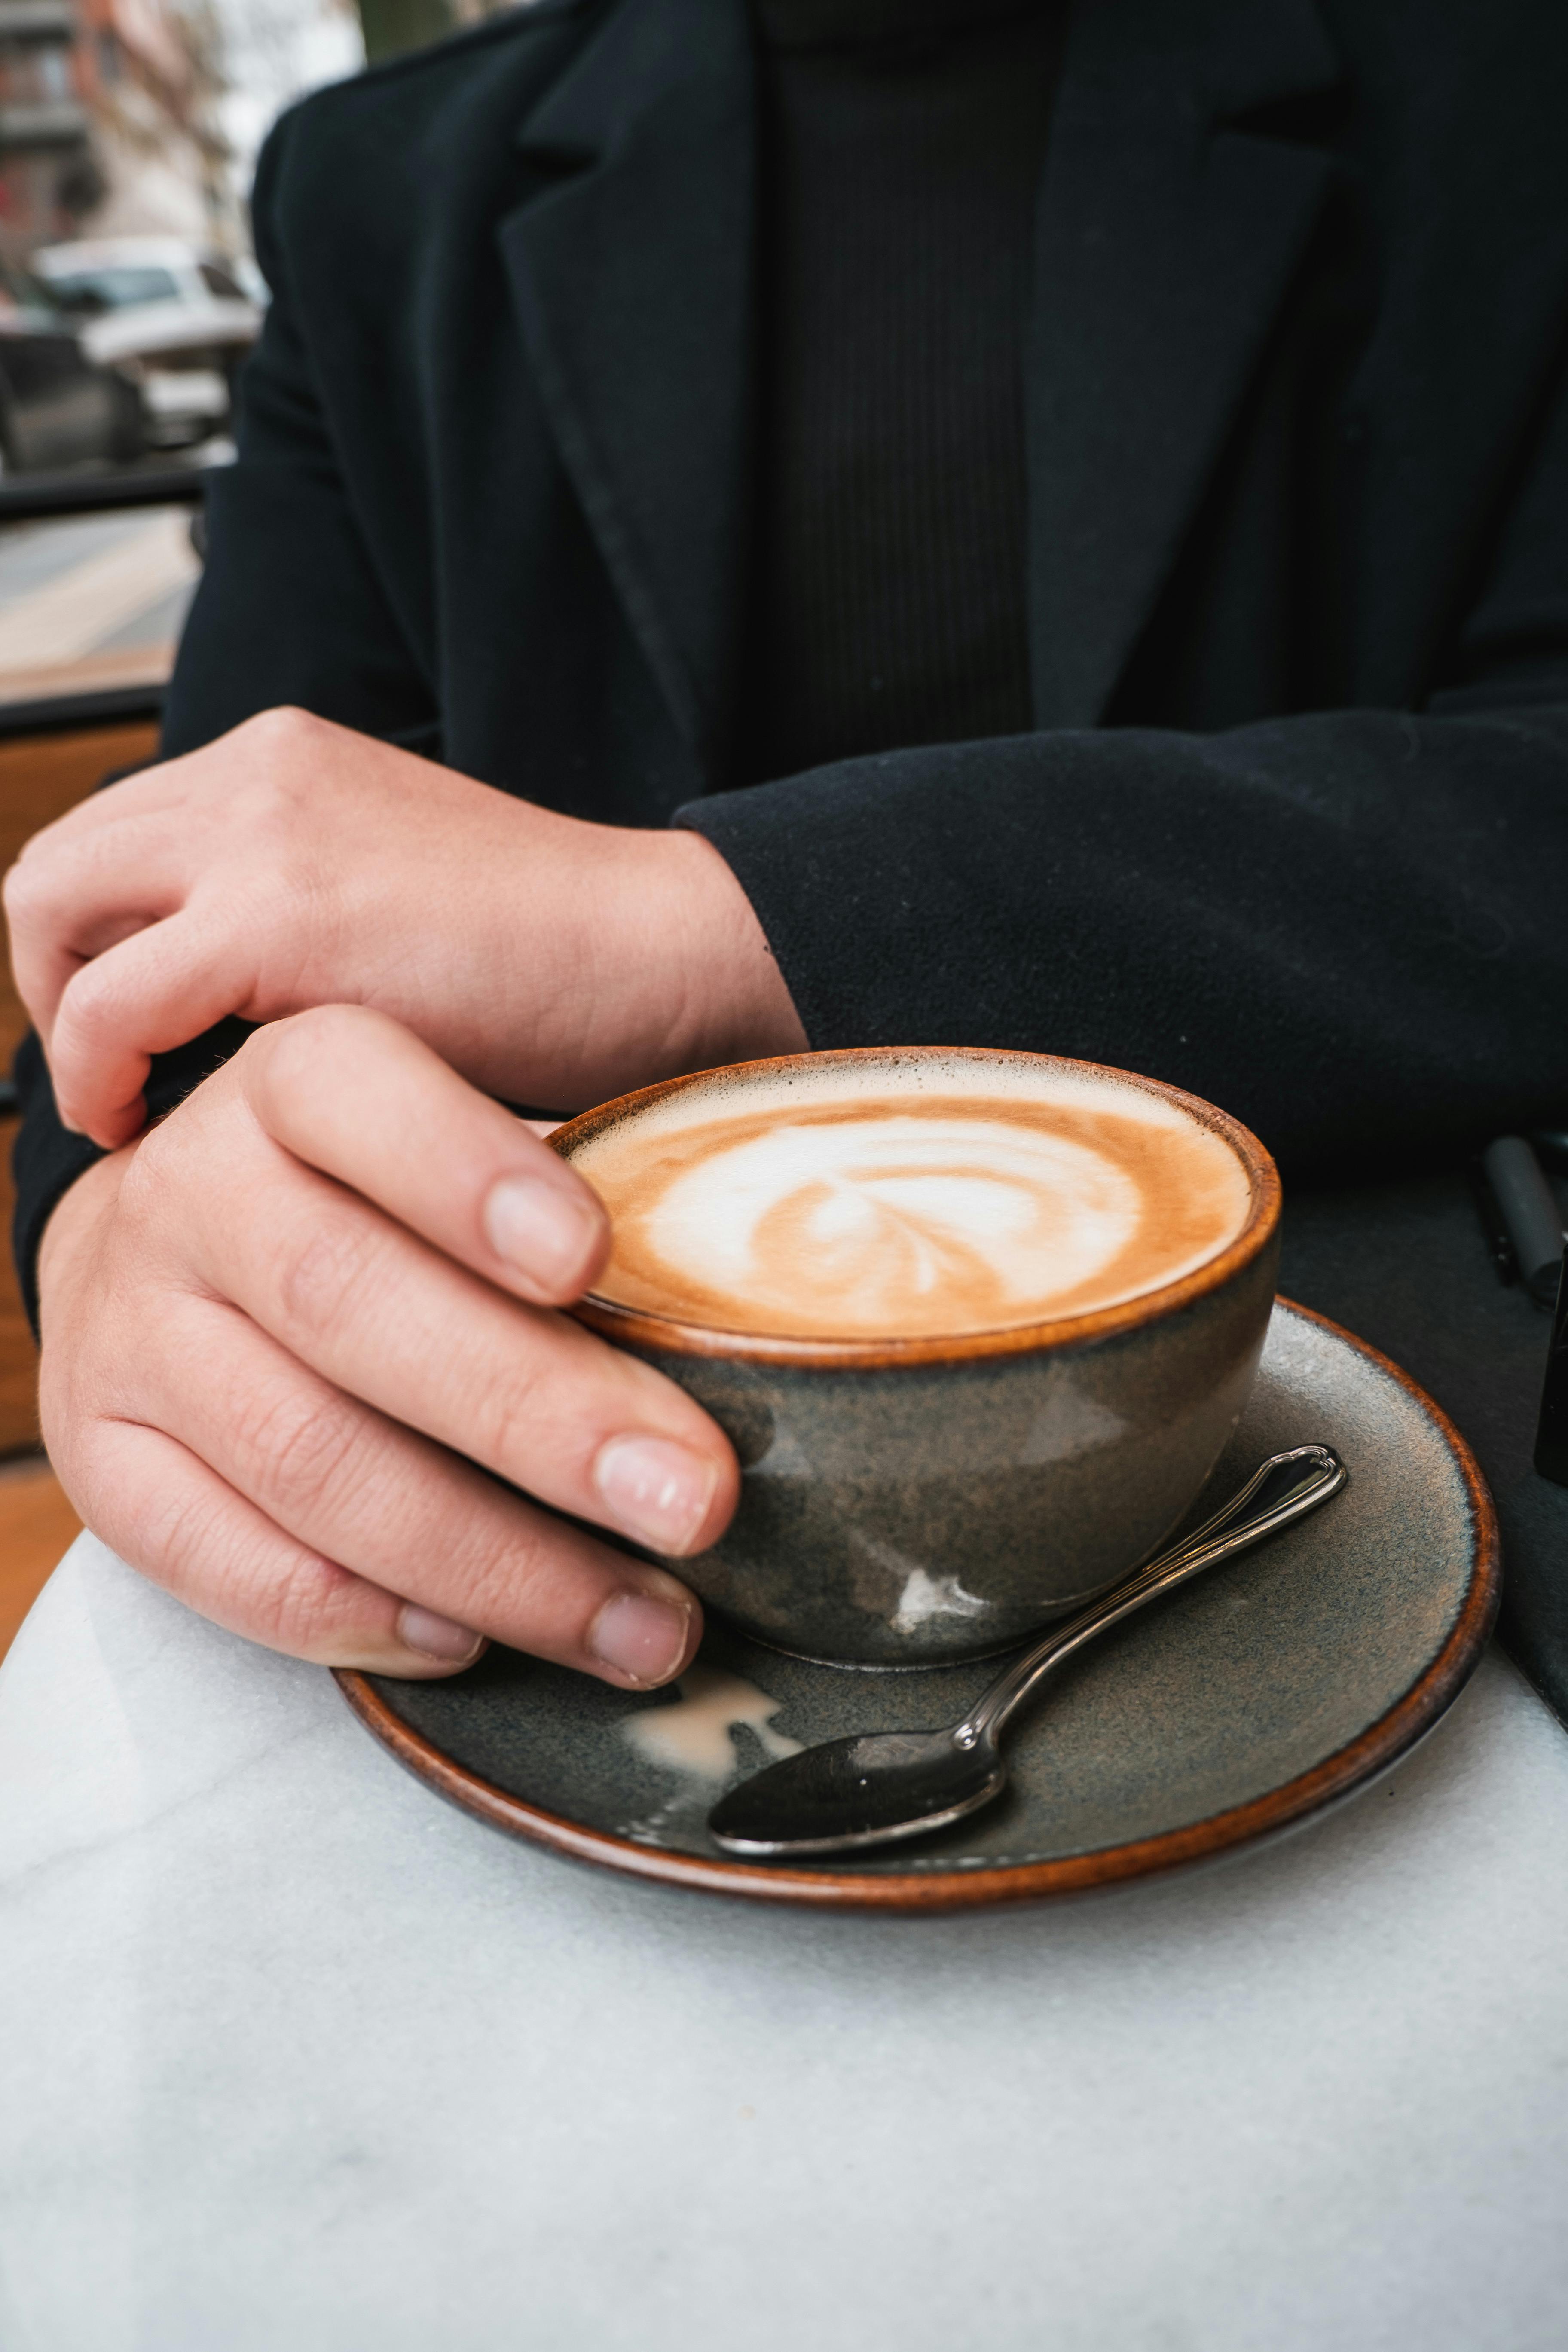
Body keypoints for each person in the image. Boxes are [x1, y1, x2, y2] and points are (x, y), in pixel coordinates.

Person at [7, 0, 1568, 1689]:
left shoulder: (1505, 90)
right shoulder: (380, 187)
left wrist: (692, 927)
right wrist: (113, 1231)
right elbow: (192, 937)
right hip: (591, 1575)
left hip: (1346, 1524)